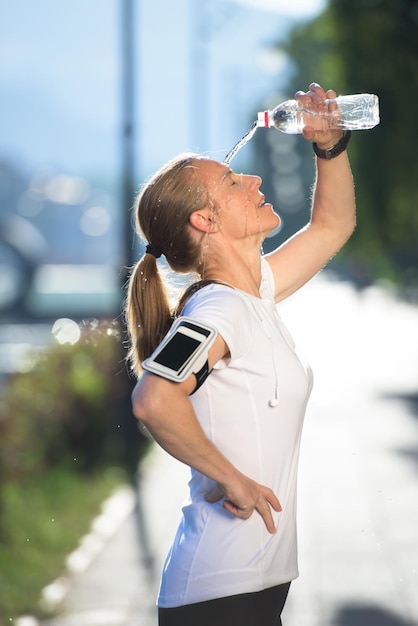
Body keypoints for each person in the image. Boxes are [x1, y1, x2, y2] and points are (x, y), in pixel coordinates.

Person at [125, 83, 356, 626]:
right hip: (220, 594)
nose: (252, 179)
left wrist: (329, 147)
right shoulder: (216, 312)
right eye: (231, 182)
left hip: (250, 587)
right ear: (205, 221)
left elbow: (332, 226)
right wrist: (230, 478)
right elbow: (154, 400)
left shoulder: (255, 294)